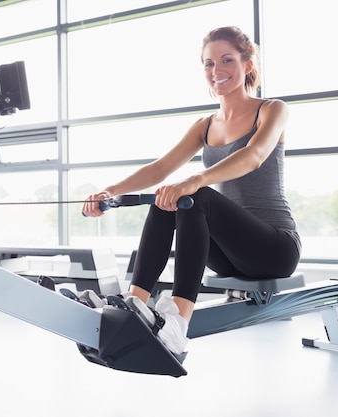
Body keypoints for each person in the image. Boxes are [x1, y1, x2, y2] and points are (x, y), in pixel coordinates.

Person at [81, 26, 301, 354]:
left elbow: (253, 156)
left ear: (248, 64)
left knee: (191, 194)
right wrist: (110, 190)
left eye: (227, 60)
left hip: (275, 248)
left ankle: (178, 323)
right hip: (229, 256)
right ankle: (134, 301)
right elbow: (160, 169)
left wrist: (196, 180)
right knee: (166, 196)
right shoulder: (205, 125)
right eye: (209, 64)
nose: (217, 71)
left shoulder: (272, 109)